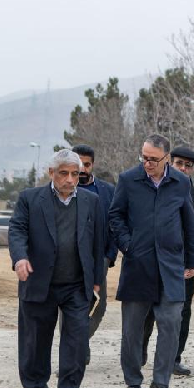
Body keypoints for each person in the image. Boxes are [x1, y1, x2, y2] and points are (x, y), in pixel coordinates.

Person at [9, 150, 104, 388]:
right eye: (64, 173)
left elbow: (97, 241)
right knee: (36, 340)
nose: (70, 179)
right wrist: (20, 258)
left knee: (77, 339)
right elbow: (17, 230)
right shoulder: (30, 199)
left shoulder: (91, 201)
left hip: (76, 284)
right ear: (51, 173)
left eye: (75, 174)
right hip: (39, 281)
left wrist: (97, 278)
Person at [109, 134, 194, 388]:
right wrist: (128, 245)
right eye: (144, 158)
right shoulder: (128, 180)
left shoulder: (181, 182)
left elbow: (188, 221)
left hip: (170, 266)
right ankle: (133, 383)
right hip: (138, 265)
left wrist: (192, 260)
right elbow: (115, 215)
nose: (147, 163)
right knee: (132, 330)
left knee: (171, 324)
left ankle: (161, 382)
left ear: (166, 158)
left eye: (153, 159)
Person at [141, 145, 194, 375]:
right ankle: (140, 350)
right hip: (155, 261)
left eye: (188, 166)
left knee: (182, 312)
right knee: (148, 310)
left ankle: (174, 358)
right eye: (179, 164)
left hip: (184, 266)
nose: (183, 169)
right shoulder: (155, 189)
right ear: (169, 163)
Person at [72, 144, 117, 365]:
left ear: (93, 165)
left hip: (100, 259)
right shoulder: (63, 189)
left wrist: (109, 256)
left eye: (86, 165)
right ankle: (75, 351)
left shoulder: (108, 191)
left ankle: (79, 341)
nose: (82, 169)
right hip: (70, 260)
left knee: (100, 304)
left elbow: (115, 223)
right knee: (71, 306)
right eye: (78, 164)